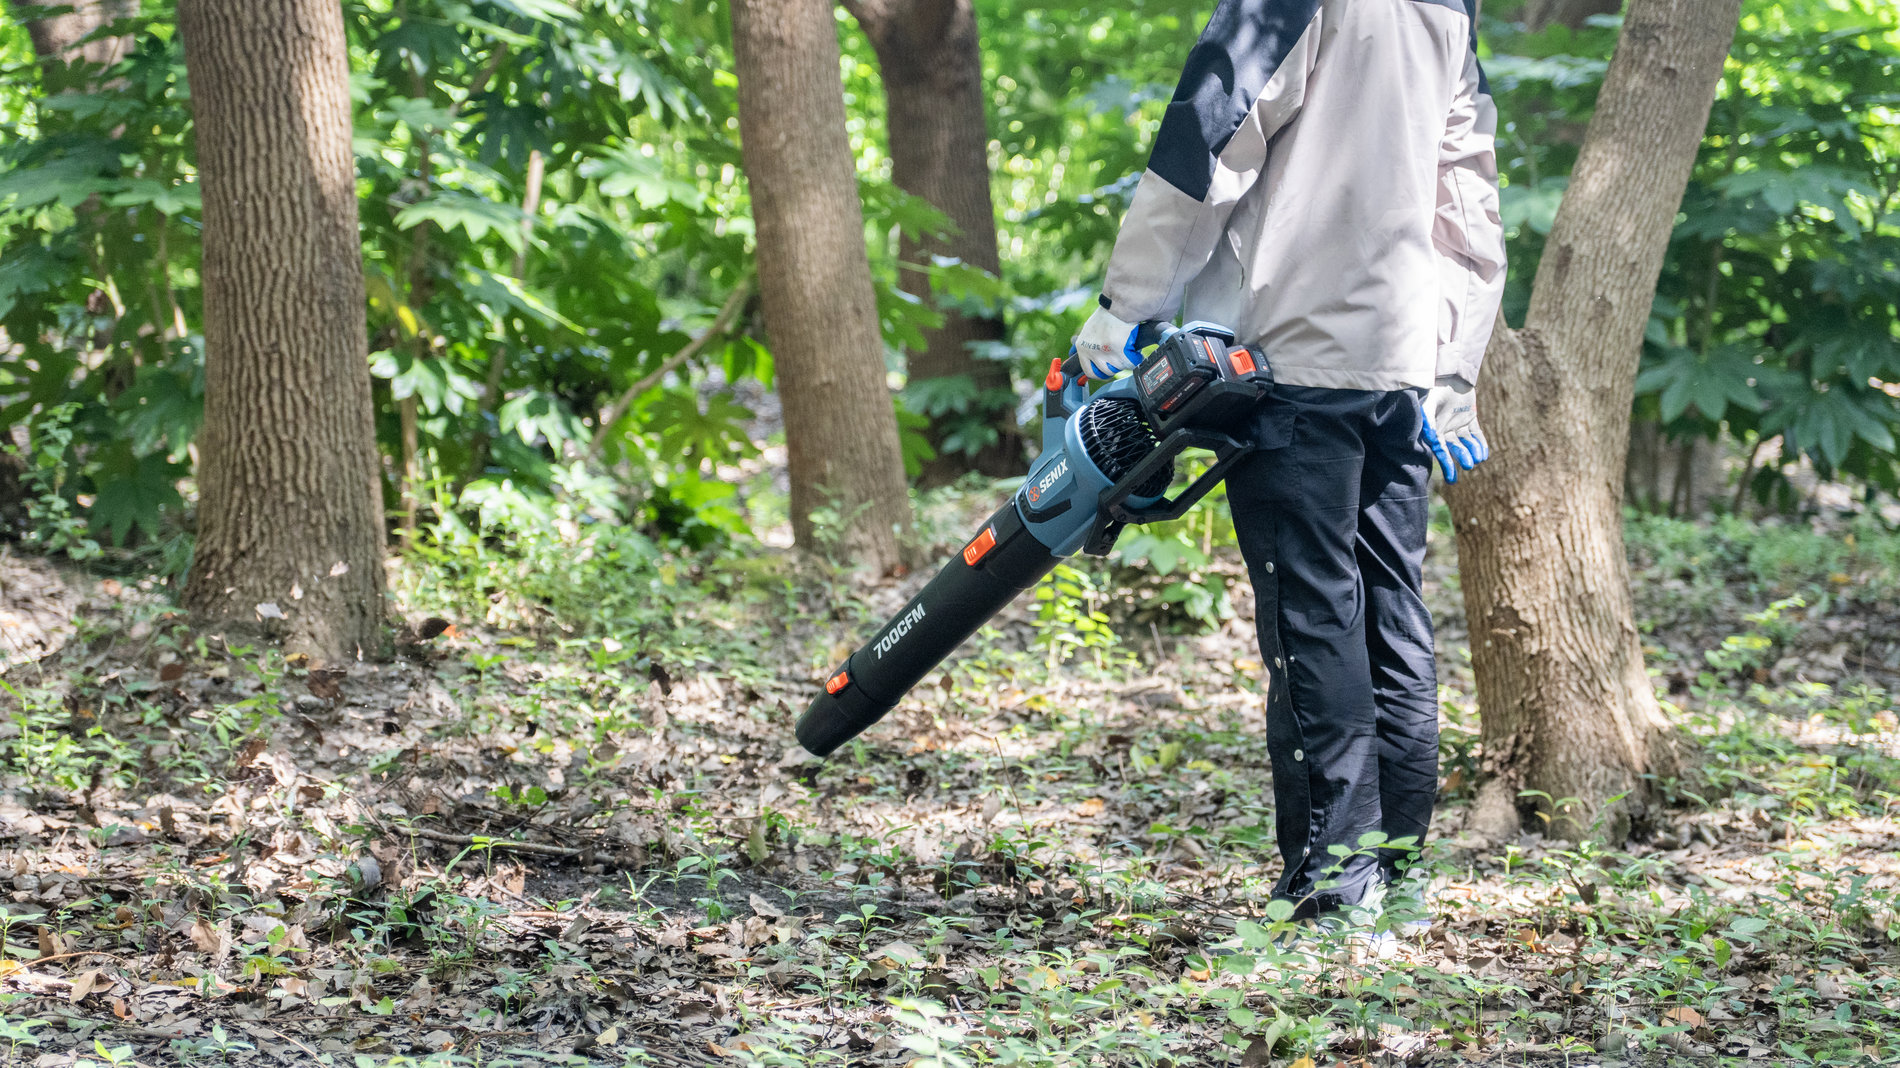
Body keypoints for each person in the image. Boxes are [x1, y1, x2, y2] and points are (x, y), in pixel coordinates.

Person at [1073, 0, 1506, 923]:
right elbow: (1467, 198)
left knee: (1314, 618)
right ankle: (1395, 880)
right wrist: (1449, 374)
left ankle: (1330, 893)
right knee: (1391, 611)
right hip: (1398, 366)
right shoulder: (1449, 6)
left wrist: (1125, 304)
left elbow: (1207, 138)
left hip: (1290, 358)